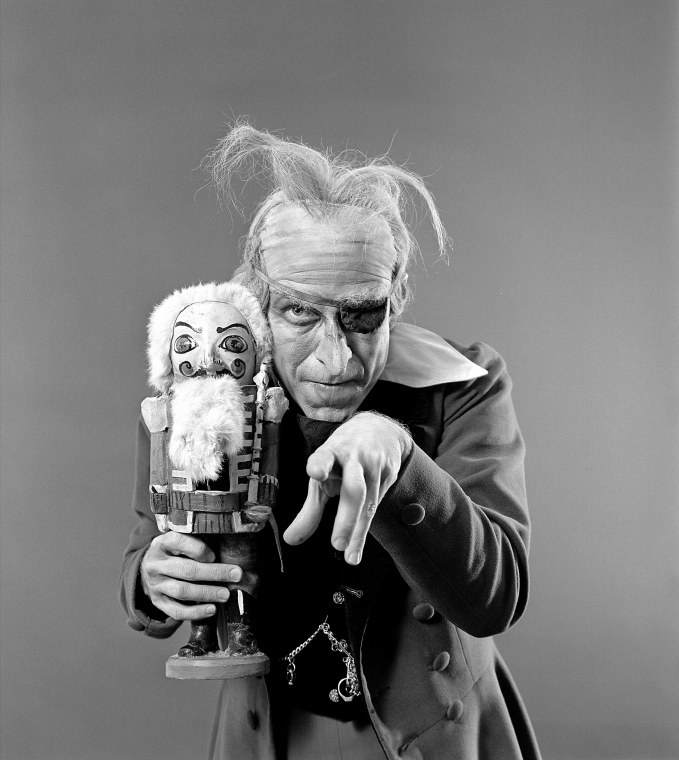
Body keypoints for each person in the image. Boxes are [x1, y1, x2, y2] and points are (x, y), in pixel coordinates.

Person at [120, 123, 541, 760]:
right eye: (299, 313)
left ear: (395, 298)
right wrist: (155, 580)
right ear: (256, 303)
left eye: (362, 315)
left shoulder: (462, 386)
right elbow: (144, 555)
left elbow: (495, 598)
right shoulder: (201, 401)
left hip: (430, 733)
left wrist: (401, 459)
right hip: (273, 734)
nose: (335, 357)